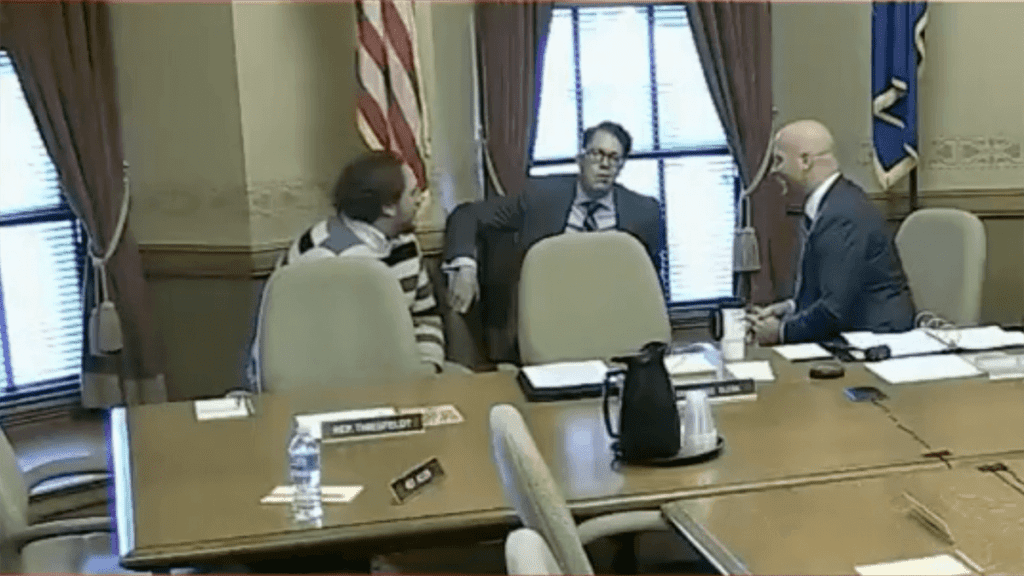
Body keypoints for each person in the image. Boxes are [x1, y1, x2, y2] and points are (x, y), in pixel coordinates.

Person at [442, 121, 663, 361]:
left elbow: (651, 282)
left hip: (612, 323)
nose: (604, 165)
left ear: (621, 166)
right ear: (580, 158)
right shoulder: (541, 197)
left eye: (614, 158)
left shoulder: (643, 212)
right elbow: (468, 215)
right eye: (597, 154)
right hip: (548, 320)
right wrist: (465, 266)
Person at [247, 151, 444, 388]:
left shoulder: (404, 241)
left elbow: (424, 316)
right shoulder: (323, 260)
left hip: (401, 381)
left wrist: (427, 370)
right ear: (388, 208)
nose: (421, 199)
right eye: (413, 194)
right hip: (329, 389)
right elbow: (326, 358)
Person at [748, 120, 915, 345]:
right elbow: (833, 290)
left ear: (805, 161)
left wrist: (782, 332)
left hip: (876, 342)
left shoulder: (842, 215)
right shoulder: (835, 202)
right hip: (852, 333)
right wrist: (789, 308)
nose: (775, 171)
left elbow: (834, 310)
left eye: (779, 160)